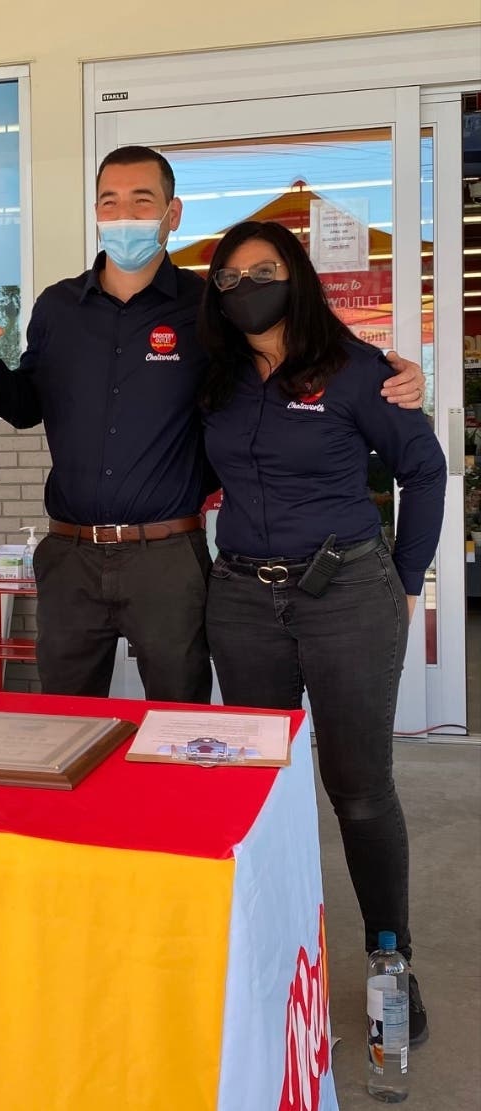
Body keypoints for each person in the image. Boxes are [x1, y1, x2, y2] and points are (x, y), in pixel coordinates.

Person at [0, 145, 425, 702]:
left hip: (168, 557)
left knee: (179, 724)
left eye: (141, 201)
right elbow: (25, 406)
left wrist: (390, 369)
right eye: (110, 202)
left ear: (172, 215)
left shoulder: (208, 308)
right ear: (97, 214)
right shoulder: (57, 308)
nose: (124, 216)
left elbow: (287, 353)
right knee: (65, 722)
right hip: (69, 555)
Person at [198, 219, 445, 1044]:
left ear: (296, 274)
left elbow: (425, 468)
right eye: (229, 278)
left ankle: (389, 964)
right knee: (261, 788)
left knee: (359, 785)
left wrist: (408, 581)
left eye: (262, 271)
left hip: (346, 594)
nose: (246, 287)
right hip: (240, 600)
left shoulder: (358, 373)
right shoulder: (217, 376)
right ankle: (273, 953)